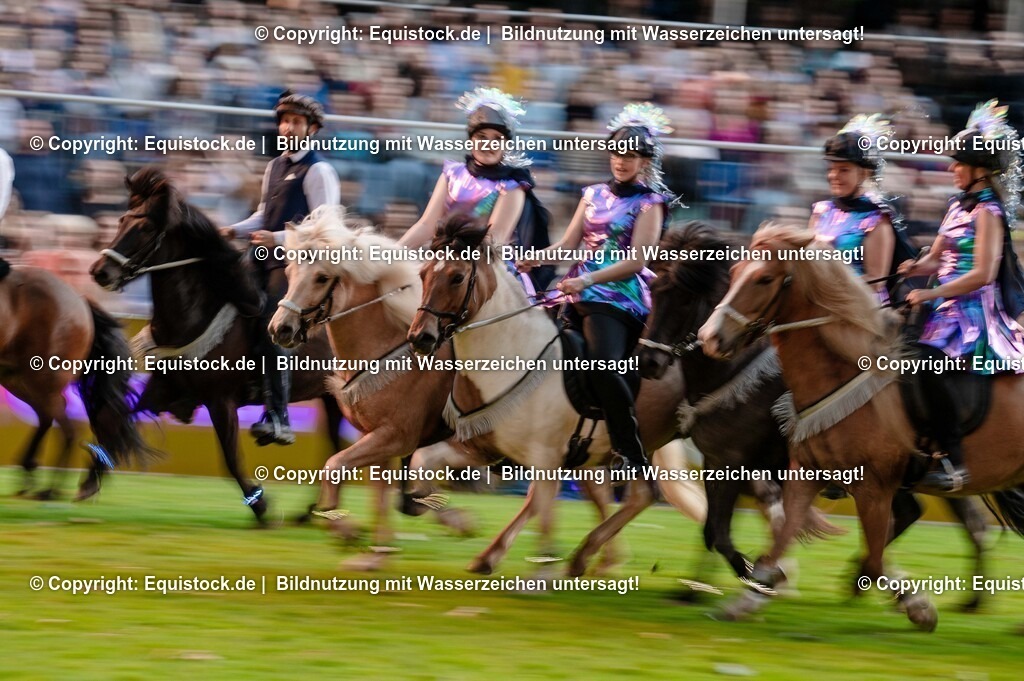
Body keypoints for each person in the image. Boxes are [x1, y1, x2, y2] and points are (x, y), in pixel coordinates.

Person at [524, 103, 673, 479]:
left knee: (602, 365)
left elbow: (638, 261)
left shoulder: (650, 203)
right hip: (574, 291)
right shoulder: (591, 194)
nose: (622, 161)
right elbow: (567, 246)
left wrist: (587, 280)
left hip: (618, 298)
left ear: (644, 162)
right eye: (618, 154)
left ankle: (631, 451)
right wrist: (532, 259)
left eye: (632, 156)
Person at [898, 99, 1024, 491]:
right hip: (945, 304)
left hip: (974, 313)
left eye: (958, 163)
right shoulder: (956, 205)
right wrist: (914, 270)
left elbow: (983, 274)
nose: (951, 168)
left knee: (926, 365)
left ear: (979, 171)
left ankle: (953, 458)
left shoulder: (989, 212)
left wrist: (928, 295)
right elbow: (936, 259)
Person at [221, 91, 340, 445]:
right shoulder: (274, 166)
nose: (288, 127)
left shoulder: (319, 170)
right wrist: (234, 229)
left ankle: (278, 415)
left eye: (297, 122)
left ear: (312, 129)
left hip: (296, 265)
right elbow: (262, 212)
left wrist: (276, 239)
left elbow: (327, 226)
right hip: (263, 255)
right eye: (285, 121)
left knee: (273, 325)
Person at [398, 87, 553, 292]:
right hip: (445, 258)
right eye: (482, 136)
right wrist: (393, 254)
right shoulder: (452, 173)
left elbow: (493, 241)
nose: (489, 144)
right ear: (471, 139)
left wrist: (450, 260)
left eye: (497, 138)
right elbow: (427, 224)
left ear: (506, 144)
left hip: (488, 265)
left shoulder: (512, 185)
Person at [810, 114, 905, 304]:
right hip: (820, 302)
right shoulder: (821, 211)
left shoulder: (877, 218)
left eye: (844, 170)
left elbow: (875, 282)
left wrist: (828, 291)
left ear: (864, 173)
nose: (834, 175)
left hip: (859, 308)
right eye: (831, 168)